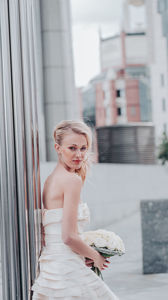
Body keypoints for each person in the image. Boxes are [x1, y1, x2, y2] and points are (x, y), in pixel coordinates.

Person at [31, 120, 119, 299]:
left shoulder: (50, 180)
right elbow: (68, 236)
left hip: (53, 267)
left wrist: (83, 252)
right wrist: (96, 257)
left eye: (83, 148)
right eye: (72, 148)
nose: (79, 154)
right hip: (67, 268)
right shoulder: (71, 181)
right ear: (58, 148)